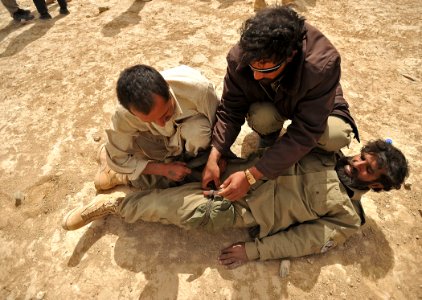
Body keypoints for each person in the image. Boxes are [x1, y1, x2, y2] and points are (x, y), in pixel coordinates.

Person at [62, 139, 409, 269]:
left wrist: (254, 252)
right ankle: (126, 176)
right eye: (365, 157)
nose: (359, 164)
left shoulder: (348, 218)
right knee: (187, 169)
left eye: (369, 170)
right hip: (245, 169)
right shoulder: (326, 147)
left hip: (243, 209)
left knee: (184, 209)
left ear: (377, 185)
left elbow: (304, 240)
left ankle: (116, 206)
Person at [202, 6, 360, 202]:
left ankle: (309, 154)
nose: (256, 76)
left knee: (334, 135)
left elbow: (306, 130)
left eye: (266, 70)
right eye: (253, 67)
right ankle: (271, 139)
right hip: (274, 100)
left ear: (290, 55)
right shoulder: (242, 56)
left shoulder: (322, 66)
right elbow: (230, 109)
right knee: (262, 117)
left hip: (315, 102)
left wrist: (251, 176)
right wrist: (215, 154)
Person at [94, 64, 220, 191]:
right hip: (156, 147)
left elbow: (221, 126)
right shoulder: (123, 115)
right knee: (180, 181)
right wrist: (163, 170)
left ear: (169, 94)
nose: (161, 124)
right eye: (150, 121)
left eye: (165, 114)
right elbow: (118, 158)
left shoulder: (199, 89)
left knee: (199, 134)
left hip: (194, 142)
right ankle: (118, 174)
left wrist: (217, 158)